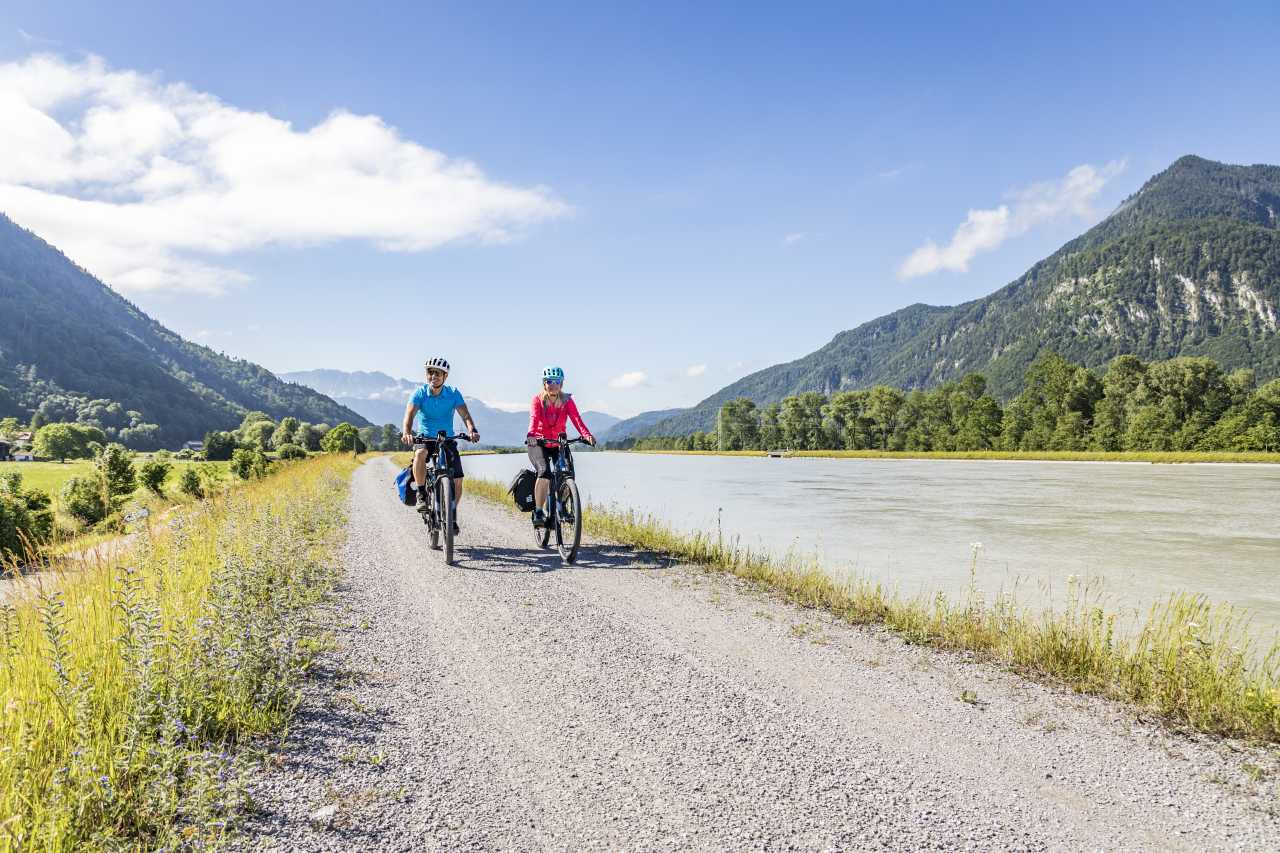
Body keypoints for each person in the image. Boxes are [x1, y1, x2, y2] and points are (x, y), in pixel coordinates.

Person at [400, 357, 480, 532]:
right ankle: (421, 493)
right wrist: (407, 433)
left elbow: (465, 415)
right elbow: (409, 416)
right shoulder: (420, 393)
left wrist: (472, 430)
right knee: (420, 455)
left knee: (458, 480)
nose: (433, 376)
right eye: (430, 372)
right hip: (425, 438)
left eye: (437, 373)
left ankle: (451, 513)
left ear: (445, 376)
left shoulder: (453, 393)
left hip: (447, 440)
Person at [526, 365, 595, 527]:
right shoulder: (537, 400)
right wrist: (531, 435)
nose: (553, 384)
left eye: (556, 381)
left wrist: (586, 434)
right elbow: (534, 419)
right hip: (539, 442)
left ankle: (561, 505)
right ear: (544, 383)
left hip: (559, 442)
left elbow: (577, 419)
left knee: (566, 473)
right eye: (549, 381)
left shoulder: (567, 401)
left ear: (561, 384)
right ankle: (538, 510)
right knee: (544, 472)